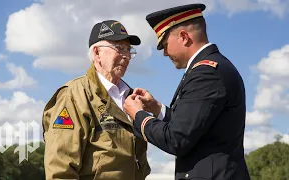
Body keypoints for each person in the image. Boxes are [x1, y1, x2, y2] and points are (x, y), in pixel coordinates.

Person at [124, 3, 251, 180]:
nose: (165, 54)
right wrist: (156, 108)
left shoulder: (207, 73)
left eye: (165, 44)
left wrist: (138, 115)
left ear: (184, 37)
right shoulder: (210, 68)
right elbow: (191, 125)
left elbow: (176, 139)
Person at [42, 20, 150, 180]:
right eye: (119, 48)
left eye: (129, 50)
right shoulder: (74, 95)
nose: (126, 56)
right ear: (97, 53)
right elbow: (60, 168)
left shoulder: (132, 98)